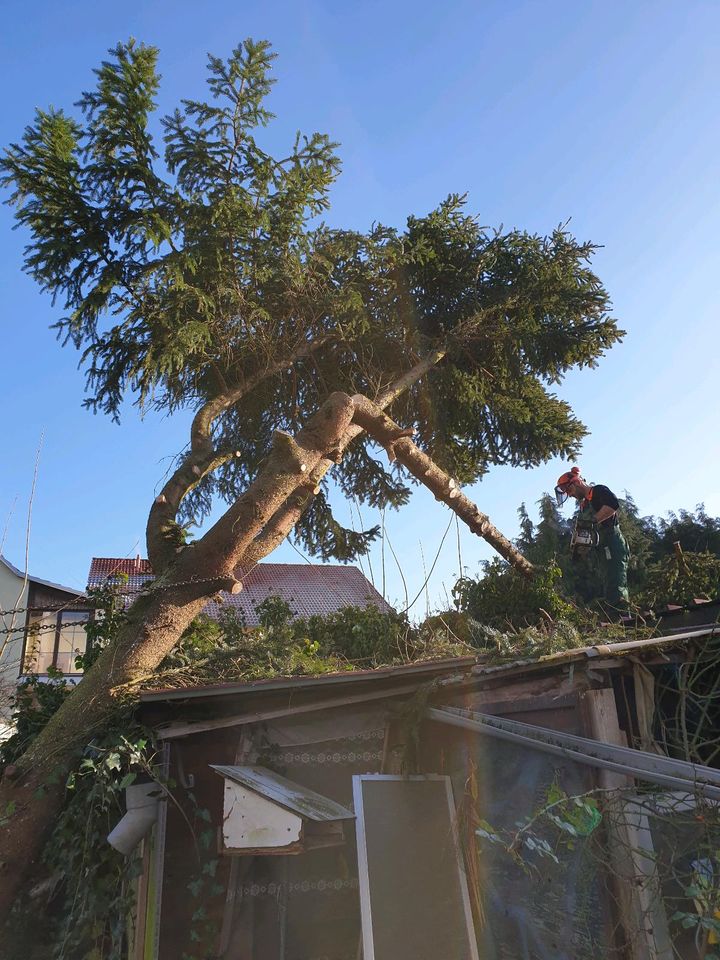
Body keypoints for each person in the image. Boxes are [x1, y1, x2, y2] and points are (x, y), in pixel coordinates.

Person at [555, 466, 630, 607]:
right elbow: (587, 532)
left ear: (576, 483)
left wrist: (592, 521)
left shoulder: (598, 491)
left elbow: (612, 505)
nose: (570, 495)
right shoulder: (584, 506)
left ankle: (624, 615)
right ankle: (617, 616)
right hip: (600, 547)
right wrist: (580, 548)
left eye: (569, 490)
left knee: (616, 581)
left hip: (612, 541)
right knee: (608, 583)